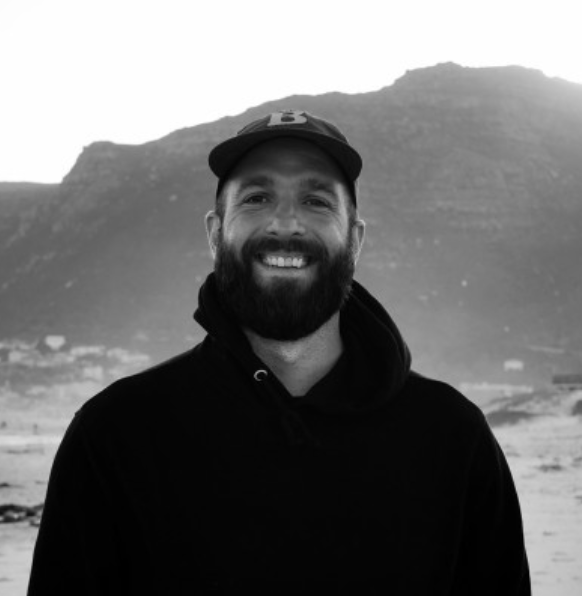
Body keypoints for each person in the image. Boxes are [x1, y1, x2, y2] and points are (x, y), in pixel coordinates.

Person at [28, 110, 531, 594]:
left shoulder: (451, 439)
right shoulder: (116, 436)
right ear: (215, 233)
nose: (285, 223)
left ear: (355, 239)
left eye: (316, 201)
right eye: (256, 198)